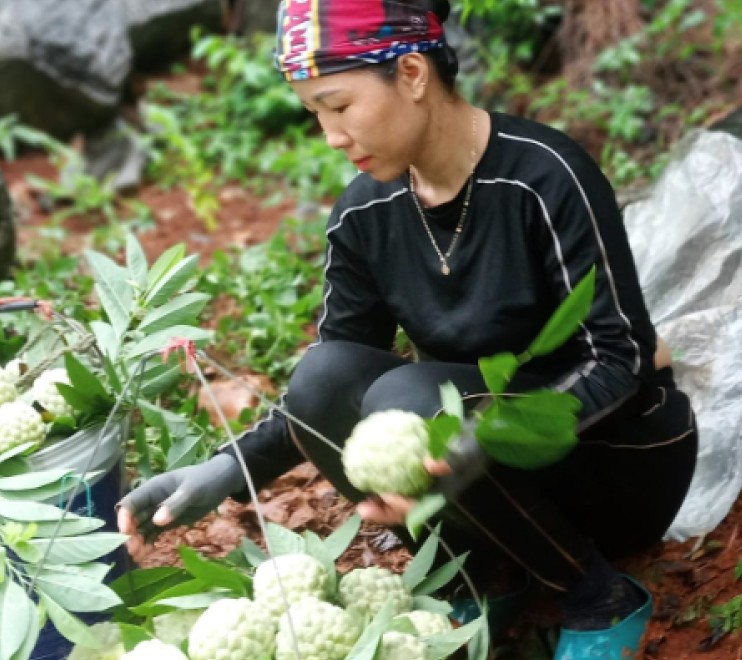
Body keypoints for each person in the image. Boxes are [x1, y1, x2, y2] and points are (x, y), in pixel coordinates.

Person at [116, 1, 698, 656]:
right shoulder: (365, 213)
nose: (331, 135)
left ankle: (598, 597)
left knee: (413, 407)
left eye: (338, 106)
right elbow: (325, 389)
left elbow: (619, 359)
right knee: (324, 377)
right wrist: (226, 470)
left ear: (413, 73)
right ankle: (485, 574)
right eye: (315, 115)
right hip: (474, 473)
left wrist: (489, 440)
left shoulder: (543, 177)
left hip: (613, 467)